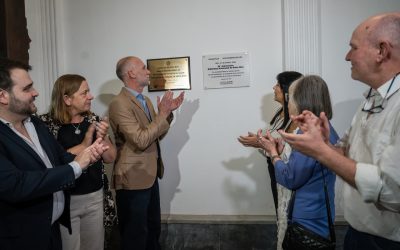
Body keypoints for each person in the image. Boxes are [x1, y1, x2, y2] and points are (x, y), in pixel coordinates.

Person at [278, 12, 400, 250]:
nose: (347, 56)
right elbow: (350, 157)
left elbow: (392, 193)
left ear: (382, 51)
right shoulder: (371, 101)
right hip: (359, 236)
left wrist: (322, 152)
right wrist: (326, 144)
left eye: (353, 48)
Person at [0, 58, 108, 250]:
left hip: (52, 231)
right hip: (23, 238)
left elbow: (60, 157)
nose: (36, 93)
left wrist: (90, 155)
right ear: (3, 96)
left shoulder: (34, 123)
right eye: (27, 89)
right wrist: (75, 166)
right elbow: (16, 184)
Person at [109, 56, 184, 250]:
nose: (148, 71)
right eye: (144, 68)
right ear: (131, 73)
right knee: (135, 236)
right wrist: (162, 115)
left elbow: (156, 135)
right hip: (132, 177)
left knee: (152, 230)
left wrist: (167, 114)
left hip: (149, 175)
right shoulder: (119, 103)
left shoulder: (146, 101)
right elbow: (140, 140)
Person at [257, 75, 339, 244]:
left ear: (301, 100)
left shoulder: (310, 133)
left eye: (291, 97)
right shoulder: (325, 127)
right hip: (319, 214)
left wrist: (273, 153)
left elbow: (290, 178)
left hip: (308, 221)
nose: (289, 102)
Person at [39, 74, 117, 250]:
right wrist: (84, 144)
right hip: (64, 201)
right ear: (67, 99)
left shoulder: (93, 120)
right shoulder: (45, 124)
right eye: (85, 93)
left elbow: (111, 158)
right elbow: (50, 163)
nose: (91, 96)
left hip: (95, 197)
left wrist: (102, 137)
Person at [238, 71, 302, 249]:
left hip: (287, 172)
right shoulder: (280, 111)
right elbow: (275, 139)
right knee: (280, 214)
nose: (274, 88)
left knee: (289, 215)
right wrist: (260, 141)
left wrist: (259, 142)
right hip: (275, 169)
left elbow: (287, 147)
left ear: (288, 89)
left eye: (278, 86)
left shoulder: (297, 116)